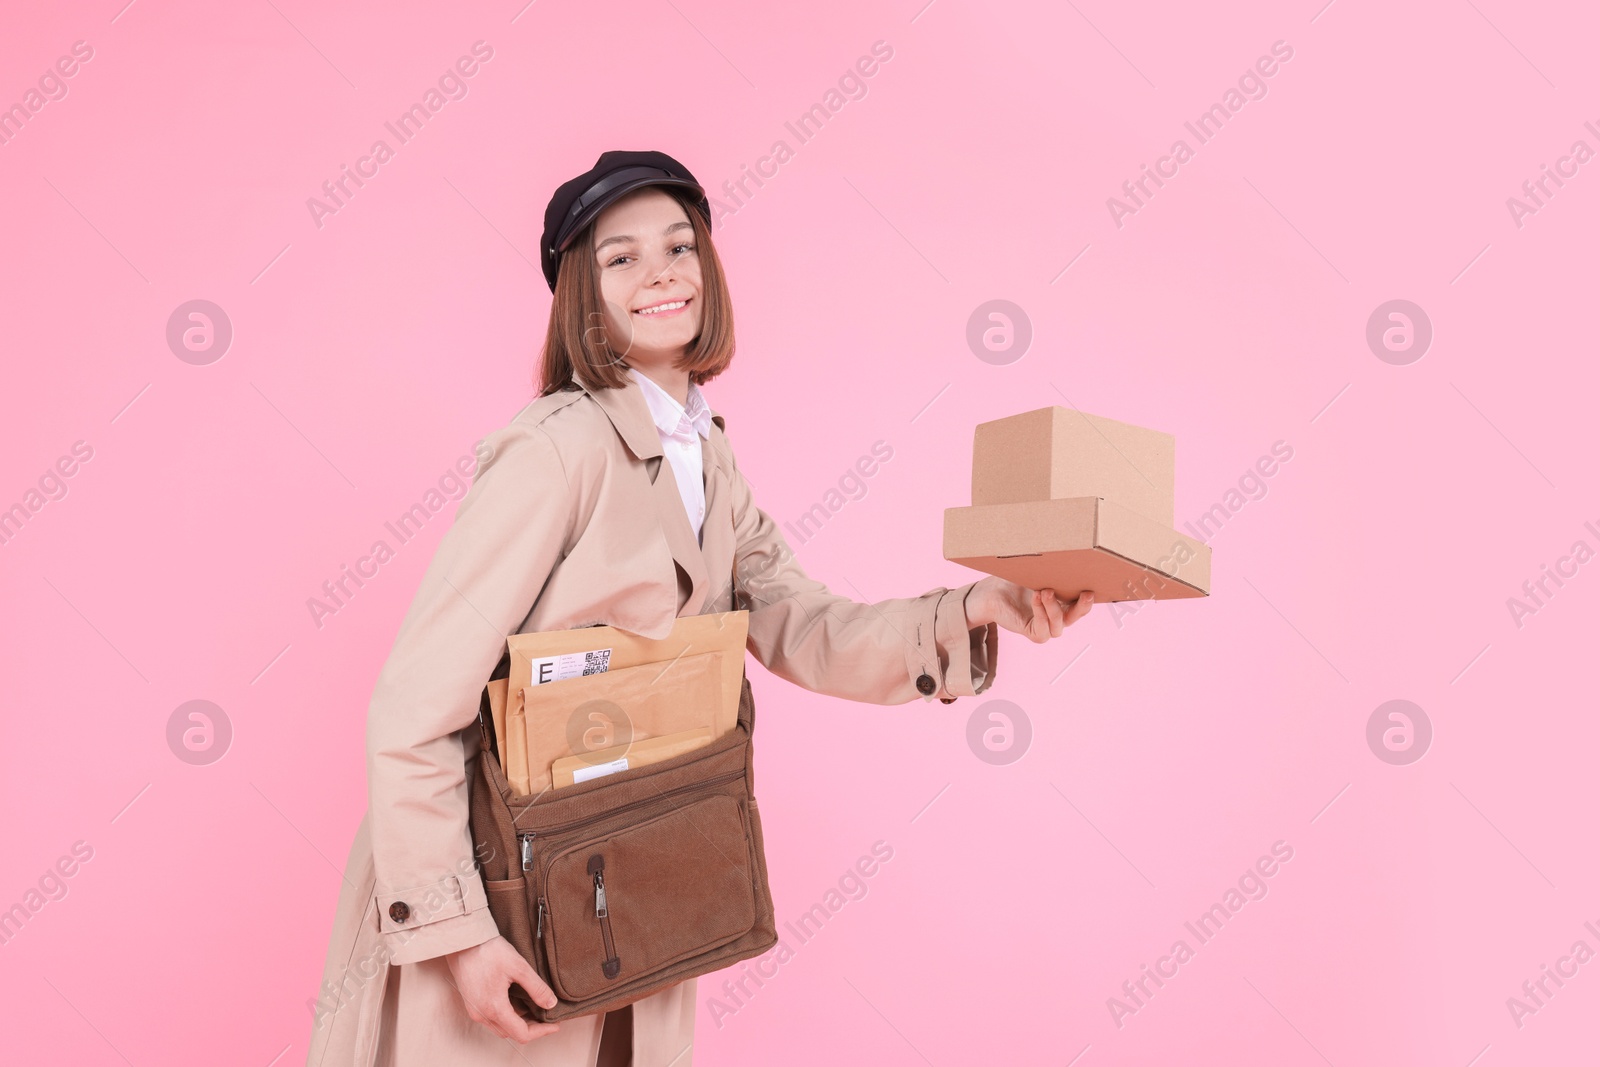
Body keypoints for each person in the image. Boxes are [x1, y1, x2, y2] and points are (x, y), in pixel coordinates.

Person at [304, 150, 1094, 1067]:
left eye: (680, 245)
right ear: (579, 295)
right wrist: (457, 937)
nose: (661, 273)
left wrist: (979, 606)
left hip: (634, 883)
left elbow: (806, 626)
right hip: (498, 901)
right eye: (621, 257)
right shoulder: (554, 454)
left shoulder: (707, 457)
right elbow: (412, 707)